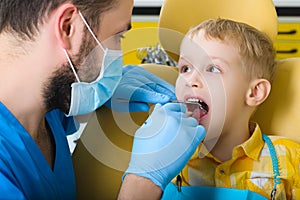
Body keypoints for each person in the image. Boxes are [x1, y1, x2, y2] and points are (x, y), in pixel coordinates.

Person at [0, 0, 206, 199]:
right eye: (118, 36)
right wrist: (143, 183)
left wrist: (98, 92)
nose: (119, 54)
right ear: (68, 27)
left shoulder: (45, 111)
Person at [161, 18, 300, 199]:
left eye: (213, 68)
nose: (191, 80)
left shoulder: (289, 159)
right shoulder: (168, 160)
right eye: (185, 68)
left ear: (255, 92)